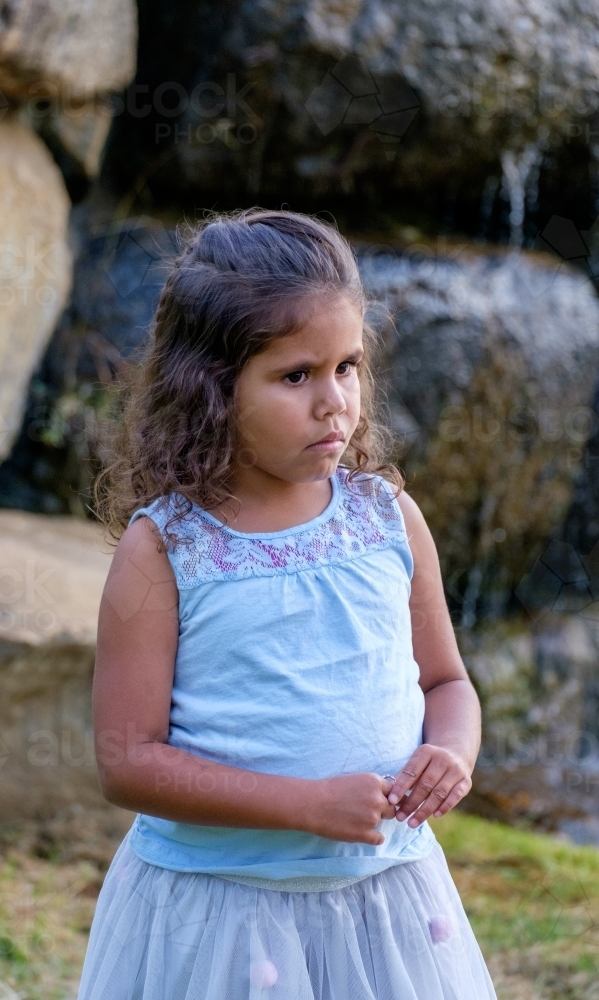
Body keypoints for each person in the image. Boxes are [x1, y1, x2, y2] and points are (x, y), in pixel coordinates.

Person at [77, 207, 498, 999]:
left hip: (385, 904)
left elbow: (447, 684)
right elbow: (127, 761)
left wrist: (452, 753)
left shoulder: (387, 517)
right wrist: (302, 805)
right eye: (295, 375)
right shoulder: (167, 548)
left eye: (347, 366)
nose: (334, 401)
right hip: (220, 915)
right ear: (208, 388)